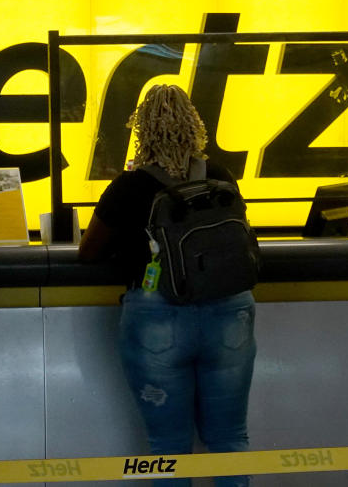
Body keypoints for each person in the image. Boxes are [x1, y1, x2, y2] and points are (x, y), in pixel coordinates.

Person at [79, 84, 256, 487]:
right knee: (230, 438)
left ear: (141, 130)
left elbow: (88, 252)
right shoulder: (219, 176)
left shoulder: (130, 186)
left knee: (168, 446)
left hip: (157, 317)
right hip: (230, 313)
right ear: (194, 126)